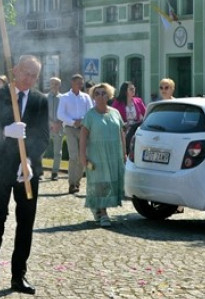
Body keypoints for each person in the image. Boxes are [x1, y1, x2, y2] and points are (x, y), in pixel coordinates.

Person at [0, 55, 50, 295]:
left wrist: (29, 159)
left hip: (27, 171)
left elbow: (43, 135)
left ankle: (18, 274)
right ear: (15, 70)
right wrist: (4, 131)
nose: (29, 79)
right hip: (0, 167)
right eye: (26, 72)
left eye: (34, 75)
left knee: (26, 221)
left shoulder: (41, 100)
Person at [79, 83, 126, 227]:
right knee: (100, 182)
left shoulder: (115, 113)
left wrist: (124, 152)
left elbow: (121, 133)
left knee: (110, 181)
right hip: (96, 155)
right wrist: (82, 155)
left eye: (104, 93)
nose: (100, 96)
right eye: (97, 93)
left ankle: (98, 208)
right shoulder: (90, 115)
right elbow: (83, 136)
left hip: (113, 154)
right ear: (93, 96)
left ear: (109, 96)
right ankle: (103, 212)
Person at [56, 74, 91, 196]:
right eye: (78, 82)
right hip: (70, 128)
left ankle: (77, 182)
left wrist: (82, 121)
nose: (80, 85)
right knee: (74, 155)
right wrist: (73, 121)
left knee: (82, 156)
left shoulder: (86, 97)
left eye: (81, 83)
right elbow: (60, 114)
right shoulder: (65, 97)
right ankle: (71, 183)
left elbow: (90, 112)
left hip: (83, 129)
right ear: (72, 83)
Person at [112, 81, 146, 151]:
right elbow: (112, 116)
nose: (133, 90)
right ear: (125, 91)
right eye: (131, 89)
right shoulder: (117, 103)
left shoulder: (138, 101)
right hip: (122, 130)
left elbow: (146, 114)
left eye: (134, 88)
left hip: (135, 129)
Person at [46, 77, 63, 181]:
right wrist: (51, 123)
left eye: (56, 84)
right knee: (42, 149)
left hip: (59, 127)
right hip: (46, 127)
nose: (54, 86)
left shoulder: (63, 98)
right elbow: (42, 112)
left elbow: (65, 112)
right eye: (52, 83)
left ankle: (55, 172)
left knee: (57, 151)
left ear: (59, 85)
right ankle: (38, 171)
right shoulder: (44, 98)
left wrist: (59, 123)